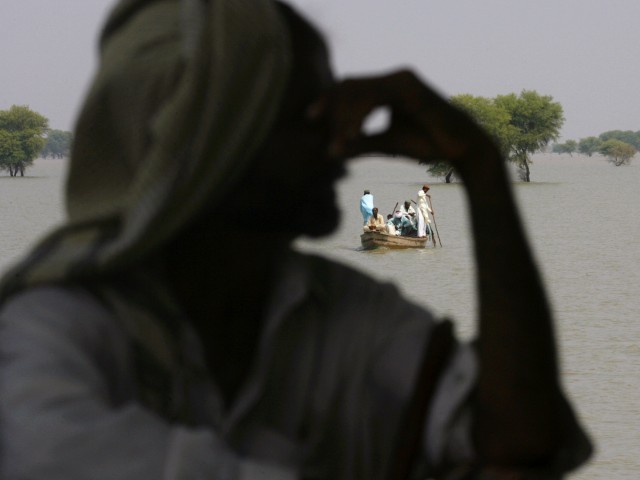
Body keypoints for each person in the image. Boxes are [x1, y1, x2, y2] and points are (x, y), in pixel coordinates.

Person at [0, 1, 591, 479]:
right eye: (308, 118)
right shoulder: (41, 333)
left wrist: (482, 168)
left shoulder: (341, 312)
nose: (339, 145)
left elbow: (524, 446)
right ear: (216, 145)